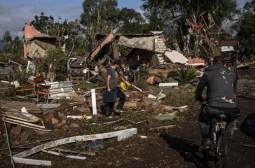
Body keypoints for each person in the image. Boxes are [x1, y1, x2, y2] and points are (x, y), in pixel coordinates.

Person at [195, 56, 240, 152]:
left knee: (203, 119)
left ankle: (206, 139)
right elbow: (234, 92)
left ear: (212, 64)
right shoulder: (232, 73)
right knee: (232, 121)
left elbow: (199, 89)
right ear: (224, 64)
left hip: (212, 106)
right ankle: (227, 141)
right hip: (230, 107)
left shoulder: (208, 73)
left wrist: (198, 98)